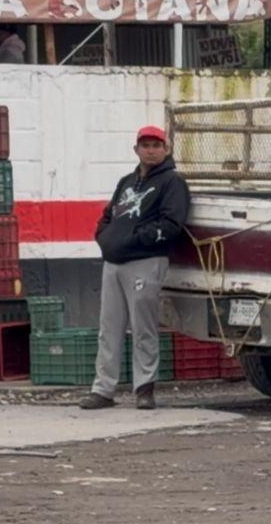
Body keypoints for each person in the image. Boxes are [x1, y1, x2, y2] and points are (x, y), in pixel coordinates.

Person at [81, 126, 191, 411]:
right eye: (145, 145)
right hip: (113, 263)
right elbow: (108, 215)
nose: (151, 150)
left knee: (143, 328)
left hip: (146, 261)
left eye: (156, 145)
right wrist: (104, 236)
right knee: (109, 328)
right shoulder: (126, 182)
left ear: (166, 149)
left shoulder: (173, 182)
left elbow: (172, 224)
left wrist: (136, 239)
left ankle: (144, 389)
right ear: (136, 149)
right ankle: (103, 389)